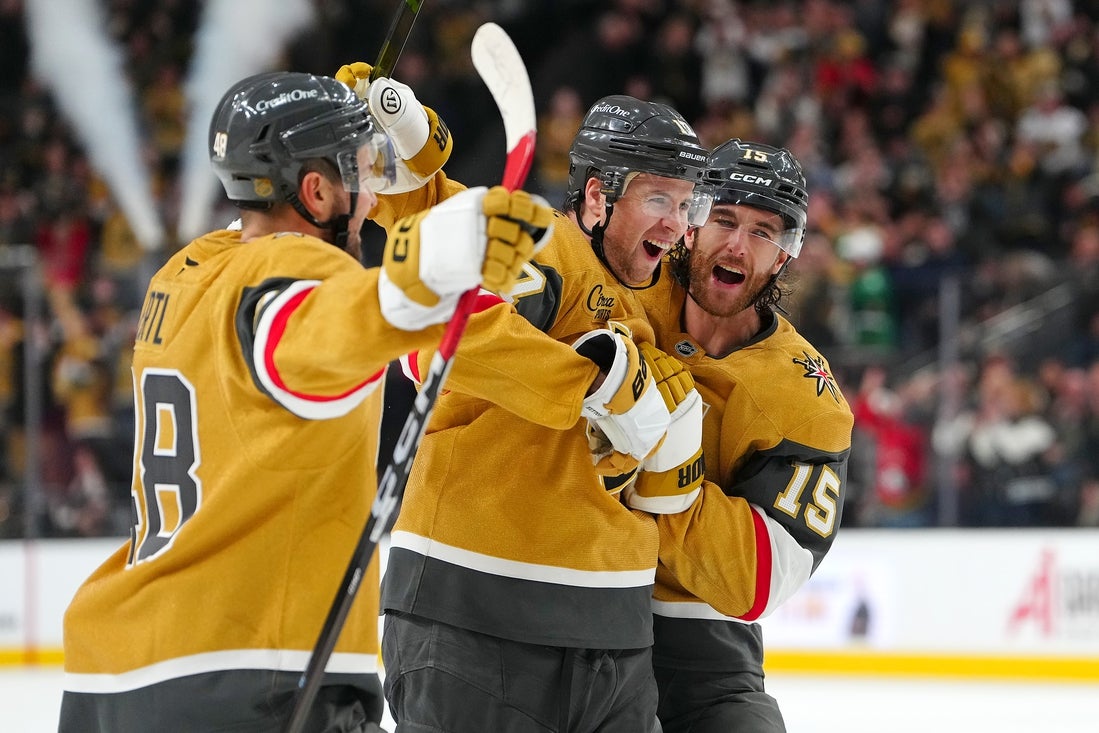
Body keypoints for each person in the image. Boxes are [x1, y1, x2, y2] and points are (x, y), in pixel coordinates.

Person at [58, 69, 553, 733]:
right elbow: (321, 327)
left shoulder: (187, 271)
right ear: (317, 192)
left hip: (114, 672)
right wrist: (426, 267)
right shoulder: (301, 276)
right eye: (362, 174)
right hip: (250, 679)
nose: (373, 196)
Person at [332, 61, 714, 733]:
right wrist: (592, 386)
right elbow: (444, 337)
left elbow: (431, 209)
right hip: (476, 619)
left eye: (687, 206)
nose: (679, 225)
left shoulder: (656, 295)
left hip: (612, 637)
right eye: (660, 199)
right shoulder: (547, 252)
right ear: (596, 197)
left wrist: (414, 153)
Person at [636, 139, 854, 733]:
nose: (737, 244)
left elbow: (754, 581)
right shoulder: (621, 294)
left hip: (700, 656)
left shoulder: (803, 398)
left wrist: (658, 466)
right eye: (725, 219)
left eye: (762, 232)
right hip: (568, 618)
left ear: (782, 257)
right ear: (689, 225)